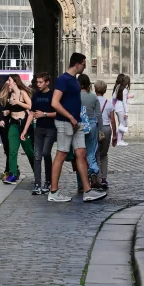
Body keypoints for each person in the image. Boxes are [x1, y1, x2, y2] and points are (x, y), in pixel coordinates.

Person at [48, 53, 107, 203]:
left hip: (76, 123)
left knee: (81, 153)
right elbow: (55, 102)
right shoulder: (63, 80)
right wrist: (70, 117)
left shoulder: (73, 80)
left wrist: (76, 119)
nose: (85, 66)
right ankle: (53, 191)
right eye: (84, 63)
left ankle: (87, 190)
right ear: (77, 64)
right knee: (61, 154)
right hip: (65, 122)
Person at [22, 72, 56, 195]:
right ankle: (37, 184)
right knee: (37, 157)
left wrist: (45, 114)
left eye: (41, 82)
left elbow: (58, 113)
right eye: (37, 82)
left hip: (50, 129)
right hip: (39, 129)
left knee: (46, 153)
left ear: (47, 82)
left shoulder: (53, 95)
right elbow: (31, 113)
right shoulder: (36, 95)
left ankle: (48, 181)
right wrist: (25, 130)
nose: (38, 84)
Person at [2, 74, 34, 185]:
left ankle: (37, 172)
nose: (8, 82)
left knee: (29, 151)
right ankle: (13, 174)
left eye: (9, 80)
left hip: (23, 125)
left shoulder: (22, 93)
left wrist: (18, 102)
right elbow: (9, 108)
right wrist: (7, 112)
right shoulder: (10, 94)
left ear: (15, 82)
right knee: (12, 151)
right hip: (13, 125)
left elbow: (30, 106)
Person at [79, 74, 101, 182]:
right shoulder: (93, 97)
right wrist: (100, 130)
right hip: (92, 124)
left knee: (79, 154)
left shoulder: (76, 96)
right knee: (91, 152)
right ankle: (93, 172)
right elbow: (99, 115)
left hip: (79, 125)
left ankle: (81, 181)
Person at [94, 80, 116, 190]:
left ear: (95, 89)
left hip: (96, 128)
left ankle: (97, 178)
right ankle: (104, 178)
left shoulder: (93, 101)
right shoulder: (109, 103)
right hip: (107, 129)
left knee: (96, 154)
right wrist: (115, 135)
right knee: (104, 154)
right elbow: (112, 120)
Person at [113, 74, 131, 146]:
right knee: (122, 125)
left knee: (120, 124)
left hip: (117, 107)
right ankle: (119, 140)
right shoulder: (125, 90)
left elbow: (114, 97)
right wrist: (126, 112)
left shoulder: (117, 87)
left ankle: (119, 139)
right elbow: (124, 102)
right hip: (121, 108)